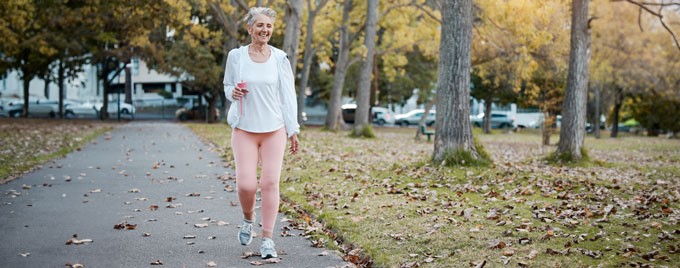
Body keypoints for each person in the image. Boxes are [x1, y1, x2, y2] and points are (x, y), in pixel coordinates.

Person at [223, 7, 300, 259]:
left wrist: (293, 129)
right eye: (260, 26)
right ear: (250, 29)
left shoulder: (280, 58)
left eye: (268, 26)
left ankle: (267, 239)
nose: (264, 30)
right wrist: (232, 92)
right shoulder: (236, 56)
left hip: (274, 129)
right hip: (245, 127)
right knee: (246, 184)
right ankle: (248, 219)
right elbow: (227, 85)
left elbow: (288, 95)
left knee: (269, 183)